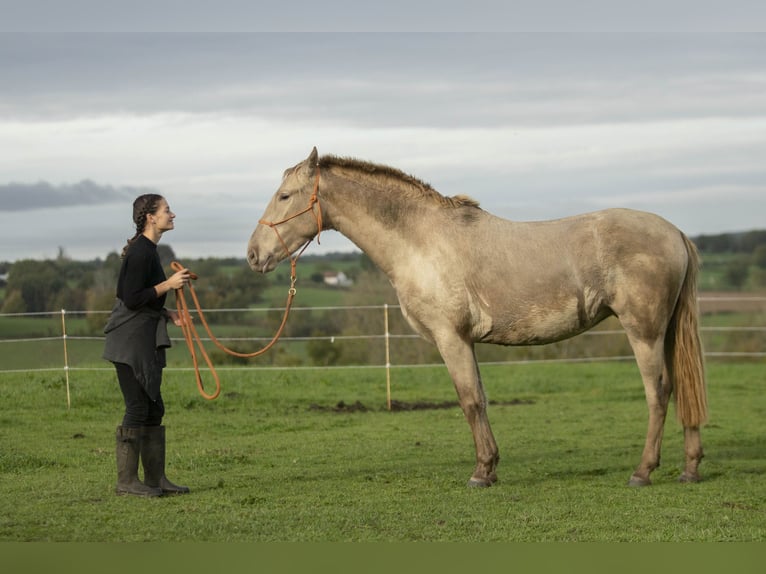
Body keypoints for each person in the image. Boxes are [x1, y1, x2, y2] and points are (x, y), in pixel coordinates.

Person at [102, 194, 192, 497]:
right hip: (129, 341)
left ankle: (156, 480)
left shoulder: (149, 251)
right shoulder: (140, 252)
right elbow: (129, 298)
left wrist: (167, 312)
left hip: (143, 337)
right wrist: (168, 285)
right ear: (151, 217)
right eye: (167, 210)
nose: (173, 214)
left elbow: (140, 297)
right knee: (138, 408)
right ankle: (127, 482)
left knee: (154, 407)